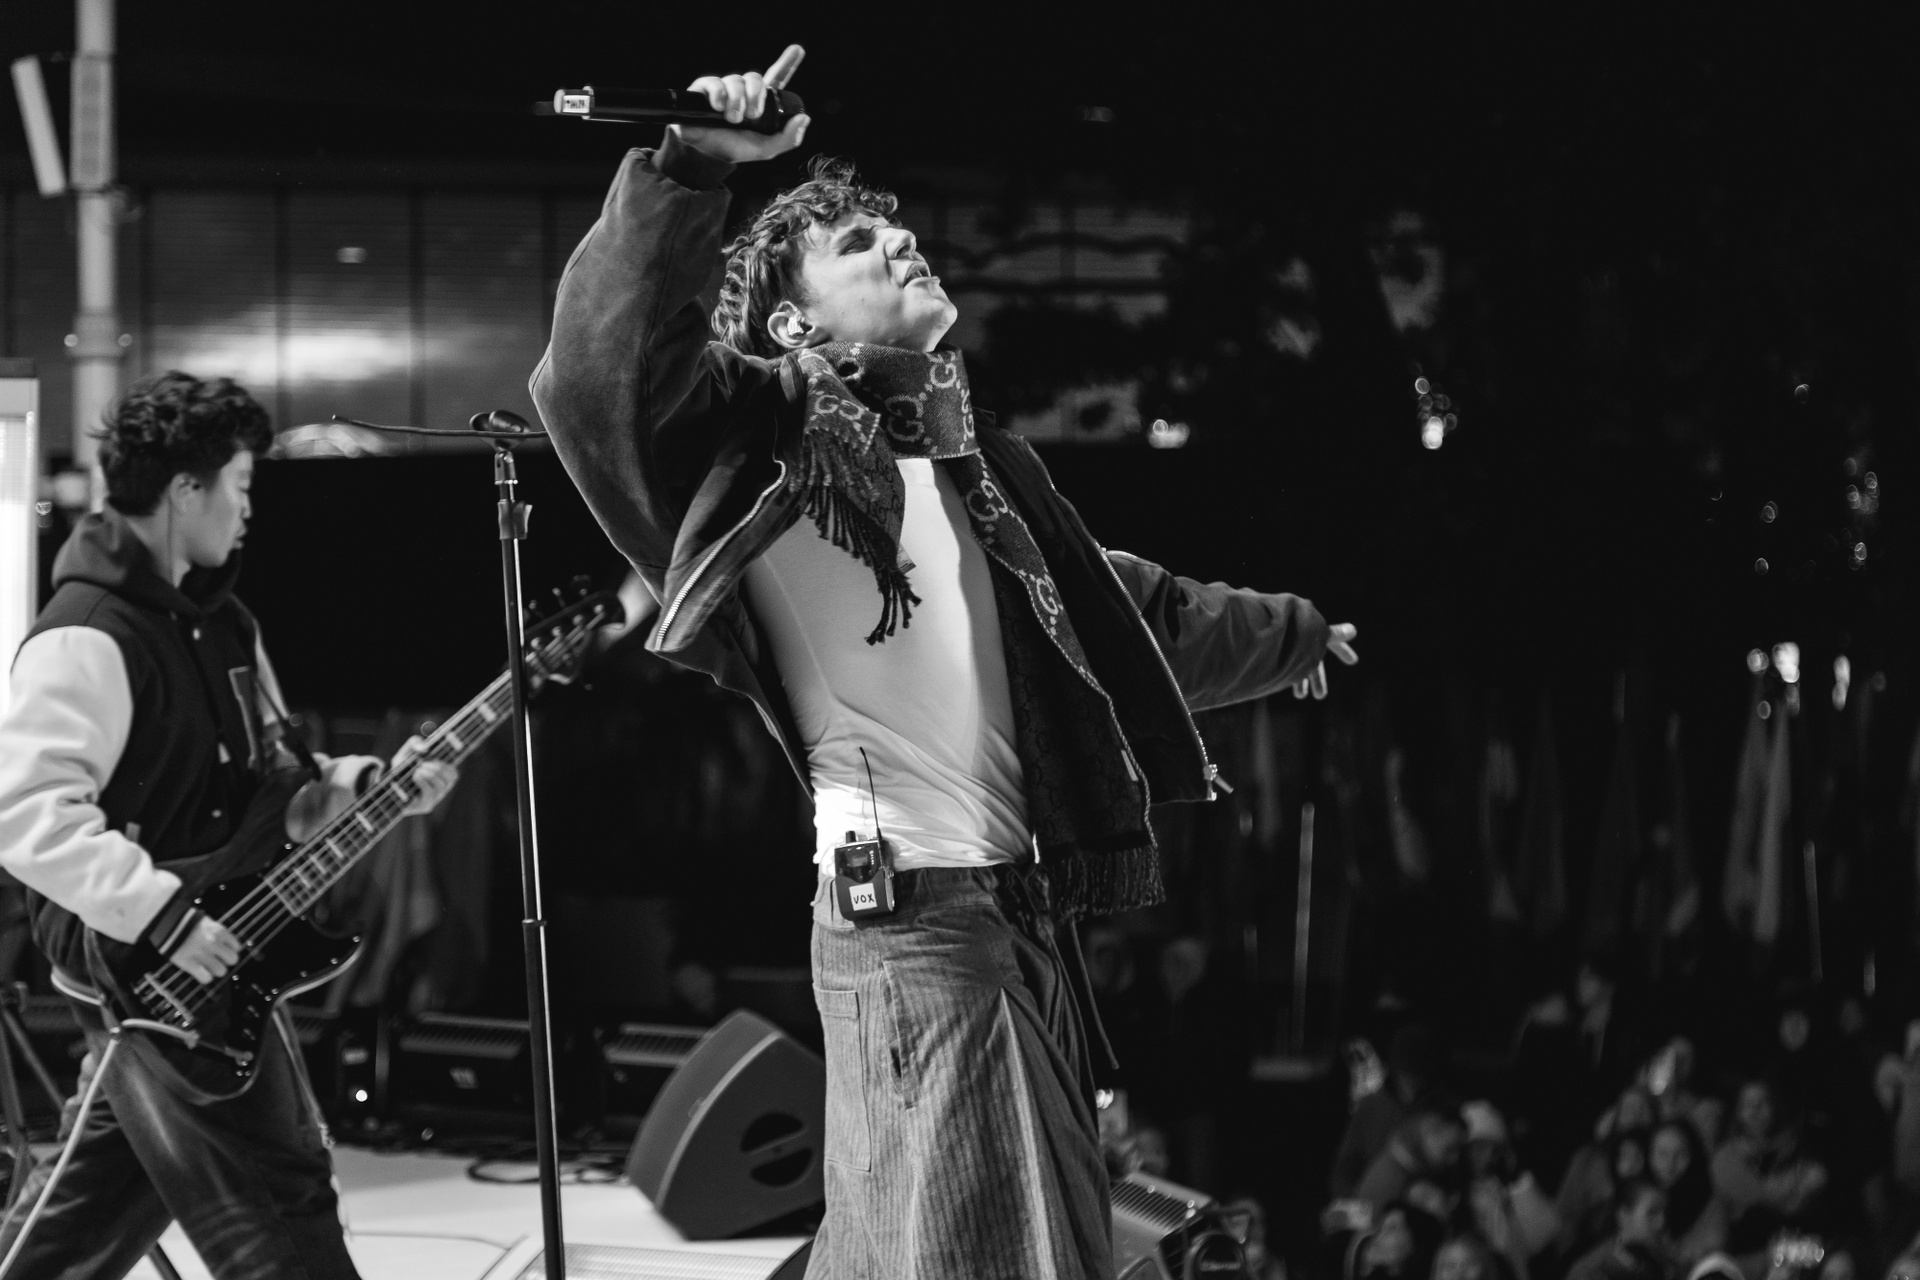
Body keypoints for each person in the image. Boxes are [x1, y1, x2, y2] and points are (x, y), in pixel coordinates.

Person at [530, 42, 1357, 1279]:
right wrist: (694, 164)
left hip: (1015, 927)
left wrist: (1293, 636)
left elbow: (1136, 618)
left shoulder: (979, 479)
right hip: (919, 931)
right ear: (795, 324)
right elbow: (603, 378)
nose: (902, 242)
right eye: (859, 244)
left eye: (898, 229)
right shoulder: (766, 449)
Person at [0, 372, 457, 1279]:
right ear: (185, 491)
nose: (248, 511)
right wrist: (166, 917)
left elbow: (275, 783)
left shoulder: (225, 623)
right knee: (281, 1206)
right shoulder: (85, 634)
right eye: (240, 486)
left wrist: (366, 785)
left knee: (90, 1216)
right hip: (152, 955)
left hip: (209, 950)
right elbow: (27, 814)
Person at [1565, 1181, 1674, 1280]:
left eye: (1664, 1212)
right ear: (1624, 1215)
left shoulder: (1657, 1254)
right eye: (1652, 1213)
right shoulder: (1591, 1270)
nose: (1661, 1222)